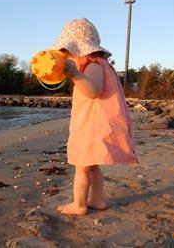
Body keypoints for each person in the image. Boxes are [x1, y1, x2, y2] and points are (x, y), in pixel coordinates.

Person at [51, 18, 138, 215]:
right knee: (92, 167)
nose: (67, 61)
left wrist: (76, 76)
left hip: (91, 126)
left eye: (68, 55)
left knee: (81, 167)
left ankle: (79, 204)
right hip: (91, 123)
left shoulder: (93, 65)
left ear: (81, 51)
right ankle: (97, 200)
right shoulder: (95, 65)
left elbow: (93, 91)